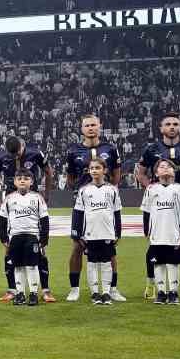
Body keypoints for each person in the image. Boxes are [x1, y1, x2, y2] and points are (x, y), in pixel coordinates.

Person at [135, 114, 180, 300]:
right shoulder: (152, 149)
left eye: (175, 124)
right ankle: (151, 284)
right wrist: (149, 186)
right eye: (168, 124)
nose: (172, 127)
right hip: (159, 201)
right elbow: (140, 172)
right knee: (155, 244)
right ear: (161, 128)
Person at [61, 114, 126, 302]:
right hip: (84, 202)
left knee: (109, 248)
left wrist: (108, 189)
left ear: (100, 126)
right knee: (77, 246)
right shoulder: (74, 150)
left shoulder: (110, 148)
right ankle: (75, 288)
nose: (90, 128)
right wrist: (79, 190)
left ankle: (112, 288)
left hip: (104, 202)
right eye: (87, 125)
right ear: (82, 129)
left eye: (93, 125)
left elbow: (116, 174)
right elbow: (70, 177)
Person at [0, 134, 55, 303]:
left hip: (32, 199)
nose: (16, 157)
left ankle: (45, 290)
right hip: (11, 199)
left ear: (22, 145)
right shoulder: (0, 158)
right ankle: (13, 289)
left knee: (40, 248)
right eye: (12, 155)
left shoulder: (36, 153)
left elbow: (49, 172)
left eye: (18, 153)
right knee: (9, 248)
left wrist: (47, 193)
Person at [140, 159, 180, 306]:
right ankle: (161, 292)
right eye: (161, 167)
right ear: (156, 173)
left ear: (173, 171)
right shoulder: (151, 190)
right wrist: (146, 231)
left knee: (173, 263)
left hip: (174, 233)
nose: (165, 168)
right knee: (158, 263)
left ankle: (173, 292)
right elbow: (146, 212)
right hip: (157, 234)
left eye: (168, 166)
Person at [72, 159, 123, 306]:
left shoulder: (112, 190)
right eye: (91, 168)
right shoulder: (84, 190)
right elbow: (78, 213)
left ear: (105, 170)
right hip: (90, 234)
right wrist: (77, 234)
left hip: (107, 233)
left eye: (98, 168)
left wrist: (117, 233)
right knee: (92, 263)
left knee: (107, 263)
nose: (94, 170)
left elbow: (117, 213)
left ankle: (106, 292)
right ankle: (95, 293)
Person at [0, 170, 49, 307]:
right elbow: (2, 220)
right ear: (14, 182)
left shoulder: (38, 198)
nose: (22, 181)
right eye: (19, 178)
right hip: (15, 236)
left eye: (26, 178)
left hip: (32, 236)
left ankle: (33, 294)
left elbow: (44, 219)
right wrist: (3, 238)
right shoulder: (9, 198)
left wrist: (44, 239)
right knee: (18, 266)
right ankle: (20, 294)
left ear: (31, 182)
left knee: (32, 266)